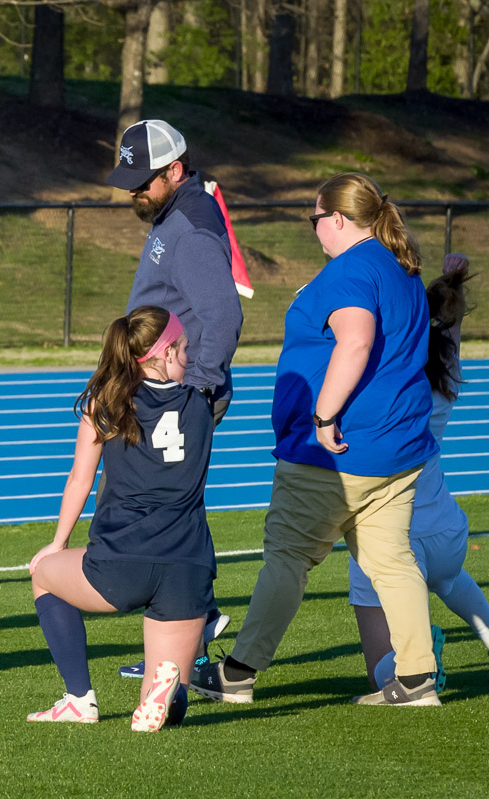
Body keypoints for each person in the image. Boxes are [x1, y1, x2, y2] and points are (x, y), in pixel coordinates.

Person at [191, 172, 441, 707]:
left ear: (337, 219)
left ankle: (237, 674)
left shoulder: (351, 270)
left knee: (286, 557)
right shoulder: (399, 267)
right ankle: (417, 679)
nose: (314, 230)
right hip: (396, 446)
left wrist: (323, 417)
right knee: (392, 560)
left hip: (336, 452)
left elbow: (355, 342)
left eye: (315, 219)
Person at [27, 306, 216, 732]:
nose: (189, 356)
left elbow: (79, 480)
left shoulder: (107, 403)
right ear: (164, 353)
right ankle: (168, 692)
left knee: (42, 574)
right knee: (165, 695)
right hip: (187, 565)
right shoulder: (201, 407)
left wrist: (57, 544)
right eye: (183, 349)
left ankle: (78, 699)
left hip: (121, 561)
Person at [106, 119, 241, 678]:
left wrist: (195, 391)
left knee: (163, 515)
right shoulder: (173, 213)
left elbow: (224, 313)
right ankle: (194, 643)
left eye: (143, 180)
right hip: (165, 389)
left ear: (176, 171)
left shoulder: (187, 224)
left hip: (179, 392)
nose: (134, 191)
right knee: (172, 515)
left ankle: (186, 643)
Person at [350, 253, 489, 691]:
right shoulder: (446, 376)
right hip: (447, 531)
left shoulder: (383, 385)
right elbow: (449, 331)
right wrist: (453, 282)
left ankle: (417, 656)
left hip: (395, 539)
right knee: (447, 578)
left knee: (380, 676)